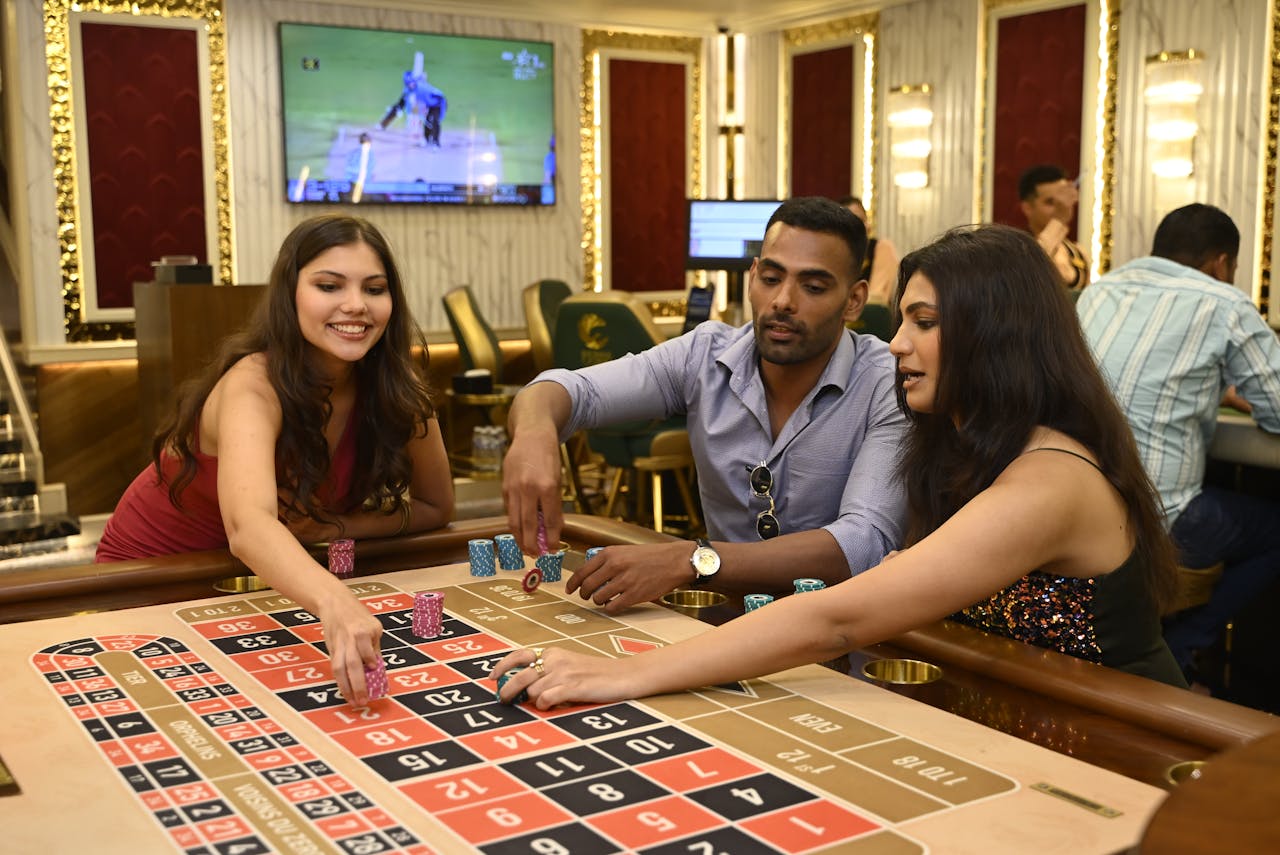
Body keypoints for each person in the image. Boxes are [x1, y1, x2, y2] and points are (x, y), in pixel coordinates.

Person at [494, 224, 1186, 709]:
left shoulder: (1050, 478)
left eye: (923, 322)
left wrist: (621, 674)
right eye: (902, 320)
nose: (895, 344)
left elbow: (839, 618)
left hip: (1124, 731)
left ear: (994, 338)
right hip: (1018, 704)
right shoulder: (965, 444)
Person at [97, 214, 455, 706]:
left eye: (374, 289)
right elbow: (249, 526)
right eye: (329, 285)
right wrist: (335, 603)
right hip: (156, 575)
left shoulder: (396, 386)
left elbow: (437, 506)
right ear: (290, 294)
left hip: (272, 579)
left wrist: (335, 529)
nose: (355, 305)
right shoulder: (253, 384)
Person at [502, 196, 907, 613]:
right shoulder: (704, 354)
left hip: (841, 626)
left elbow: (863, 541)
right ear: (752, 277)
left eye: (813, 286)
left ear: (855, 300)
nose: (783, 300)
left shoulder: (887, 382)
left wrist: (693, 558)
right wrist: (534, 433)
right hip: (723, 618)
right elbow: (572, 391)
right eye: (770, 278)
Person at [1077, 203, 1280, 683]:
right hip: (1159, 519)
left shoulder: (1098, 292)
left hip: (1079, 506)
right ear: (1221, 263)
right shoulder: (1224, 303)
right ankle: (1185, 646)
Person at [1018, 164, 1090, 291]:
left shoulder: (1078, 252)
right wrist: (1059, 220)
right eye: (1050, 202)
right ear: (1027, 208)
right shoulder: (1017, 249)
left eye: (1062, 201)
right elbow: (1033, 265)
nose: (1059, 207)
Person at [838, 195, 899, 305]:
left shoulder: (882, 248)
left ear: (868, 225)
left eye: (861, 220)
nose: (857, 227)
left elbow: (877, 296)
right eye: (850, 222)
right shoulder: (835, 253)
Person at [379, 70, 447, 147]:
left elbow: (440, 99)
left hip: (437, 104)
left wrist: (440, 113)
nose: (410, 85)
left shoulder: (423, 88)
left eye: (411, 83)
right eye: (408, 84)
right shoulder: (408, 90)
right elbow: (405, 104)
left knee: (433, 120)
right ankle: (427, 140)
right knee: (426, 121)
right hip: (428, 104)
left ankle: (435, 143)